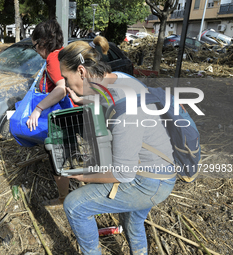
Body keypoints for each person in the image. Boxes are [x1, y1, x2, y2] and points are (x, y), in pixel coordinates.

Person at [57, 36, 176, 255]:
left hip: (151, 181)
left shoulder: (125, 110)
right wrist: (81, 98)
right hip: (161, 166)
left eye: (66, 77)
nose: (64, 83)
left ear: (82, 72)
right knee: (132, 220)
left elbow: (123, 173)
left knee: (75, 205)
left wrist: (84, 176)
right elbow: (106, 97)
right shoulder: (117, 78)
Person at [27, 19, 70, 207]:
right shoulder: (64, 54)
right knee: (66, 156)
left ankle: (63, 200)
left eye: (35, 45)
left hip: (60, 120)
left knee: (57, 160)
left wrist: (38, 109)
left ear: (43, 42)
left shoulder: (53, 58)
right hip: (71, 116)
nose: (36, 50)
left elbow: (61, 89)